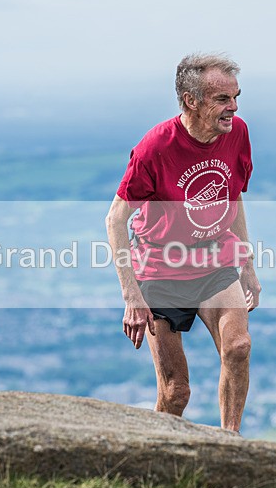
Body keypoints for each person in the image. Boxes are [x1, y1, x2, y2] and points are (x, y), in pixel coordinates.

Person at [105, 53, 260, 433]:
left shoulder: (236, 133)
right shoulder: (155, 148)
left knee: (238, 347)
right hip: (161, 268)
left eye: (236, 97)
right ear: (192, 100)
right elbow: (115, 220)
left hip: (215, 260)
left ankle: (230, 445)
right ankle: (156, 457)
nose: (234, 108)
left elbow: (232, 196)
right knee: (176, 392)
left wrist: (247, 263)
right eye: (222, 99)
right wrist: (132, 296)